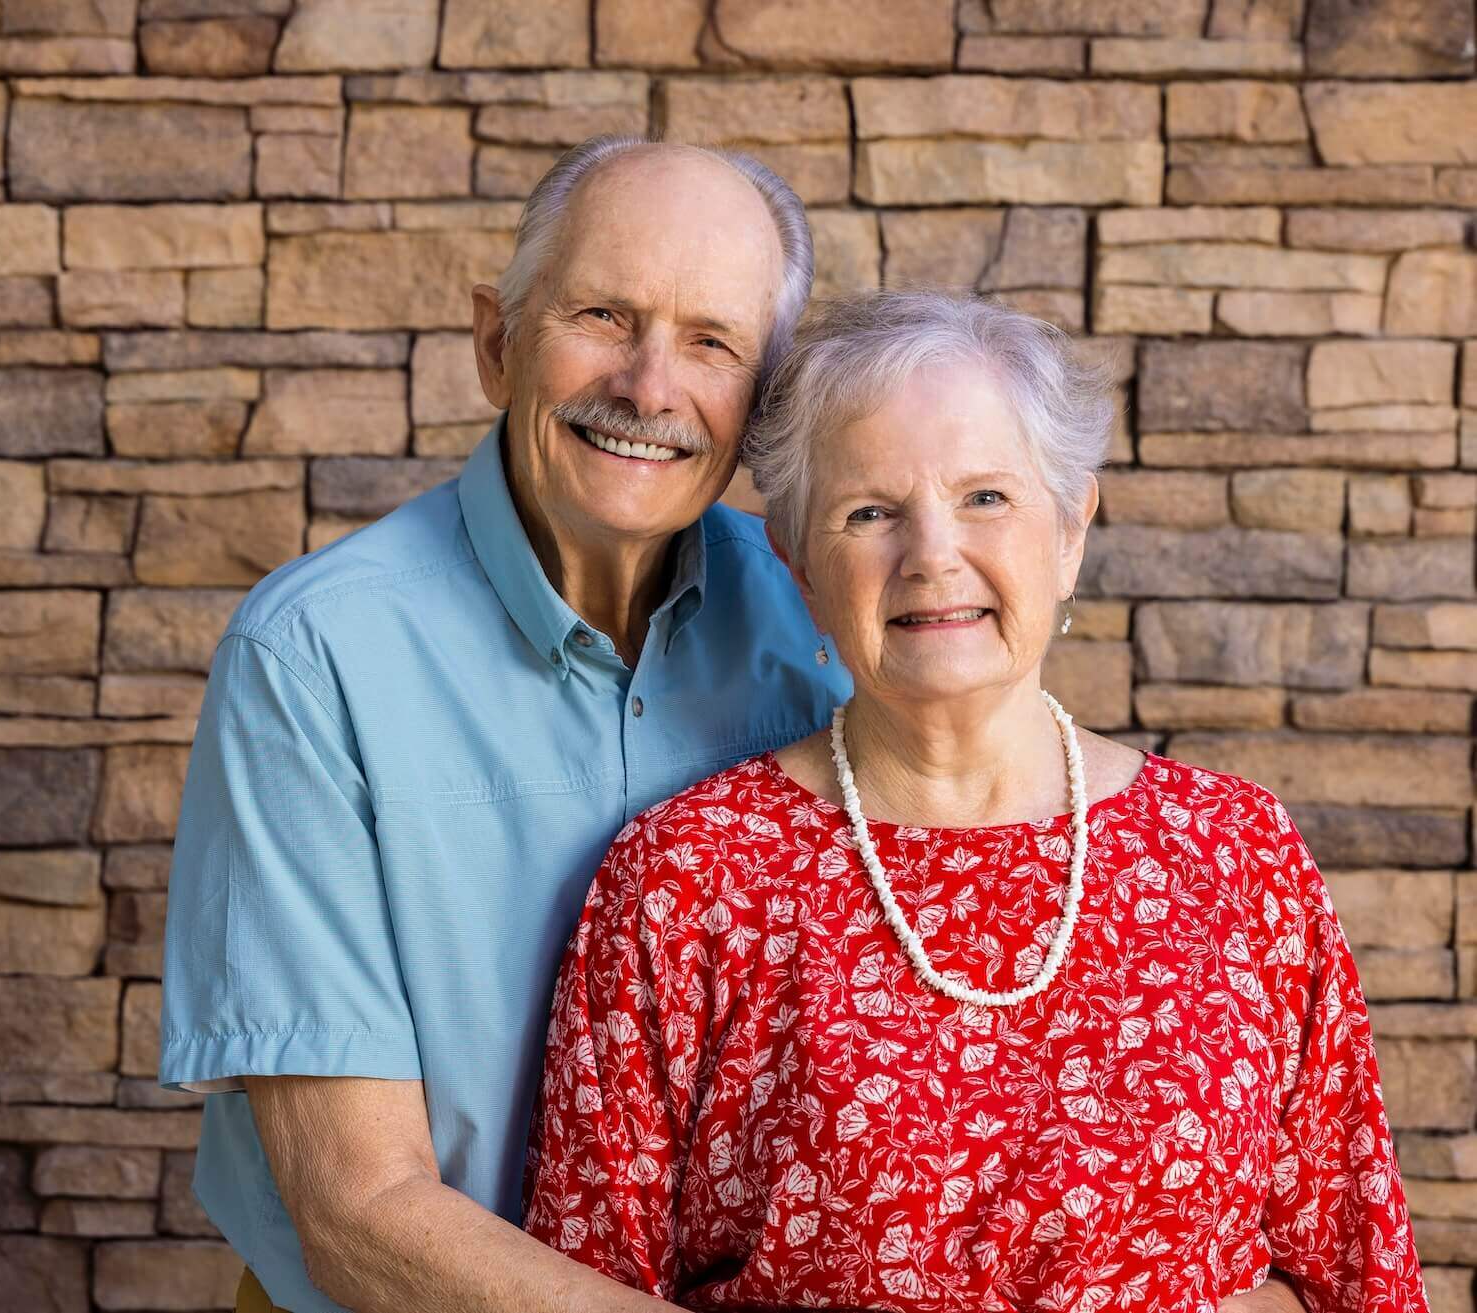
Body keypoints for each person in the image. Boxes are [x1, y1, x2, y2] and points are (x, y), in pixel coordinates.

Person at [523, 291, 1426, 1313]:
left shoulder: (1233, 851)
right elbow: (579, 1286)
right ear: (800, 565)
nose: (932, 554)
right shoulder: (688, 877)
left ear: (1071, 527)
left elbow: (1356, 1269)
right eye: (870, 511)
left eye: (987, 497)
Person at [157, 135, 852, 1313]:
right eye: (601, 314)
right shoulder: (314, 659)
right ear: (498, 343)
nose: (647, 385)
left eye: (711, 341)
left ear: (766, 399)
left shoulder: (831, 626)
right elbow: (359, 1209)